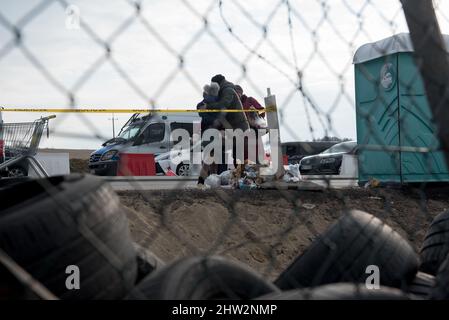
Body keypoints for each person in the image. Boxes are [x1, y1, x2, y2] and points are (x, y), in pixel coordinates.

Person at [205, 75, 250, 171]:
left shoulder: (227, 90)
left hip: (238, 127)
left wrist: (208, 106)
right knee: (236, 154)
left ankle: (244, 175)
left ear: (217, 84)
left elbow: (224, 104)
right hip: (234, 127)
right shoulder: (224, 91)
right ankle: (241, 176)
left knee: (238, 155)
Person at [234, 85, 266, 164]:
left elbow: (263, 111)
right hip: (241, 135)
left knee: (257, 156)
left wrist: (255, 112)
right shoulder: (233, 105)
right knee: (243, 160)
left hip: (253, 132)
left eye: (236, 93)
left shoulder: (250, 100)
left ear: (241, 92)